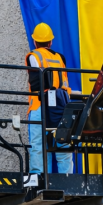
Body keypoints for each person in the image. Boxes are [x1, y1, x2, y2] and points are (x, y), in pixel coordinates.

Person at [25, 22, 72, 186]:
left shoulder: (33, 56)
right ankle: (67, 180)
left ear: (35, 41)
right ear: (51, 42)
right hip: (61, 104)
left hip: (39, 104)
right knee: (63, 143)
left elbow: (37, 83)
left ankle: (39, 180)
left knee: (38, 144)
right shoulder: (60, 58)